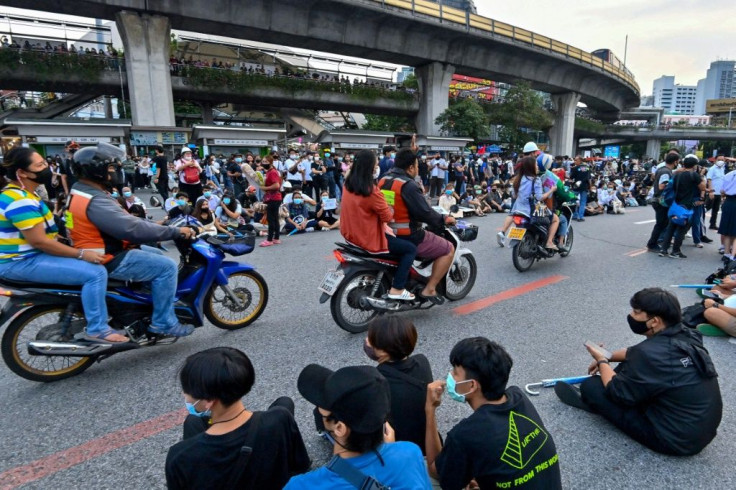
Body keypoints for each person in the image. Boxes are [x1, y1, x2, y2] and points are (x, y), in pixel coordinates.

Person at [555, 287, 722, 456]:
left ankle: (592, 402)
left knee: (592, 386)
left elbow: (616, 391)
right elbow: (632, 353)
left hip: (674, 440)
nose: (631, 315)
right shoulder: (687, 334)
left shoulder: (649, 354)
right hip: (700, 431)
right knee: (627, 367)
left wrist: (602, 360)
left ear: (654, 321)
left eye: (636, 312)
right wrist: (609, 355)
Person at [67, 143, 197, 337]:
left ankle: (145, 306)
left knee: (153, 252)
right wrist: (174, 232)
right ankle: (163, 322)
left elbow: (124, 221)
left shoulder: (81, 191)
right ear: (96, 171)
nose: (116, 172)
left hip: (96, 248)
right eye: (111, 168)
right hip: (106, 256)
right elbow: (131, 228)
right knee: (167, 267)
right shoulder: (95, 200)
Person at [0, 148, 123, 342]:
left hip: (27, 258)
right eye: (39, 166)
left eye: (44, 163)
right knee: (95, 273)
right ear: (22, 173)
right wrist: (82, 254)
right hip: (21, 262)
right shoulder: (20, 200)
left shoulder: (22, 194)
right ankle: (98, 329)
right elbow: (40, 241)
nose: (46, 168)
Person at [425, 337, 562, 489]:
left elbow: (434, 470)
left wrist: (430, 410)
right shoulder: (519, 397)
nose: (450, 376)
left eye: (455, 372)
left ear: (471, 385)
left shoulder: (466, 434)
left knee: (423, 472)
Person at [166, 347, 310, 489]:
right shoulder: (281, 419)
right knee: (283, 403)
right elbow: (301, 467)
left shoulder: (180, 456)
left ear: (208, 400)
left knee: (192, 421)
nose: (184, 394)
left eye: (187, 390)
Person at [284, 364, 432, 489]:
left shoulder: (301, 486)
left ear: (340, 428)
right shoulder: (410, 453)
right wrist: (392, 452)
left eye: (324, 403)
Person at [381, 147, 456, 304]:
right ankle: (429, 289)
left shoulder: (383, 180)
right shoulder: (408, 185)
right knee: (448, 248)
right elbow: (425, 213)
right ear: (410, 167)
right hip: (408, 235)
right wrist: (443, 219)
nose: (417, 168)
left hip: (385, 232)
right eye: (416, 165)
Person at [341, 149, 417, 300]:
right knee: (410, 249)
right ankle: (397, 288)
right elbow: (387, 216)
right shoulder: (371, 191)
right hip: (369, 239)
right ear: (369, 168)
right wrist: (389, 208)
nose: (377, 168)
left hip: (351, 236)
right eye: (375, 165)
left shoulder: (348, 185)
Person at [363, 317, 433, 453]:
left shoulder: (376, 380)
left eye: (370, 340)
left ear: (383, 351)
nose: (366, 341)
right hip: (427, 443)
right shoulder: (422, 361)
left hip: (399, 447)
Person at [497, 156, 559, 250]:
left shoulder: (518, 179)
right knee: (555, 219)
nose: (537, 167)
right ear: (531, 167)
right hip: (533, 210)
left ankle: (503, 232)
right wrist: (551, 190)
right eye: (536, 165)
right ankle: (549, 242)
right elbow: (540, 197)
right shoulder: (536, 180)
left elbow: (514, 195)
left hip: (518, 209)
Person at [658, 154, 705, 259]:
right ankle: (675, 251)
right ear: (694, 165)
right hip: (687, 205)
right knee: (682, 229)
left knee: (671, 227)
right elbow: (702, 187)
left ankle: (663, 249)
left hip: (675, 204)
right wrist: (701, 176)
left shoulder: (677, 175)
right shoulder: (694, 175)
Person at [645, 153, 678, 252]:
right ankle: (652, 244)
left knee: (663, 223)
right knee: (660, 224)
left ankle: (656, 242)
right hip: (661, 201)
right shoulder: (665, 172)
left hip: (660, 201)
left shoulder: (663, 169)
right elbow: (661, 186)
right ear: (675, 162)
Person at [259, 155, 282, 247]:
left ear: (271, 162)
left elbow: (276, 185)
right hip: (275, 197)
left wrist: (265, 187)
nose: (263, 163)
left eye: (265, 162)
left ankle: (269, 239)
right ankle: (276, 238)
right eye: (263, 161)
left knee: (271, 219)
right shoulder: (270, 171)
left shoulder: (272, 172)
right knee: (275, 218)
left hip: (273, 198)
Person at [707, 156, 726, 230]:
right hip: (713, 192)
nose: (720, 161)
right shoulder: (712, 169)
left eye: (722, 159)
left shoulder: (722, 169)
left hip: (719, 193)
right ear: (715, 160)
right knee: (707, 208)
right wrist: (711, 191)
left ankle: (712, 224)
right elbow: (709, 180)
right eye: (719, 159)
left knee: (716, 209)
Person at [570, 155, 591, 221]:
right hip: (584, 186)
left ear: (580, 161)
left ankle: (575, 214)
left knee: (573, 201)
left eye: (576, 160)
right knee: (583, 202)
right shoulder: (587, 168)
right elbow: (589, 178)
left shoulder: (575, 168)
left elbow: (571, 177)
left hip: (576, 186)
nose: (575, 161)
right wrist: (590, 186)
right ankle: (580, 216)